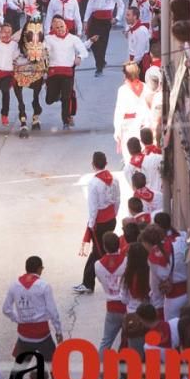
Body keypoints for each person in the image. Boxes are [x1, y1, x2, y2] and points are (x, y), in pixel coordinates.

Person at [2, 256, 77, 379]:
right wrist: (58, 331)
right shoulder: (44, 286)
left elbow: (6, 309)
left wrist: (19, 319)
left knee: (19, 367)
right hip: (42, 335)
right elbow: (52, 311)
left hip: (24, 335)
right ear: (38, 269)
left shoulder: (14, 285)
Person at [74, 152, 120, 294]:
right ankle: (92, 281)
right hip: (111, 218)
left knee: (97, 252)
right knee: (103, 250)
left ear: (93, 165)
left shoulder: (94, 182)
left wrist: (91, 224)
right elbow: (118, 200)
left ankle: (88, 283)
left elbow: (92, 207)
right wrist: (114, 215)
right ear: (106, 163)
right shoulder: (114, 179)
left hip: (99, 221)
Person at [42, 16, 93, 129]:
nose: (60, 29)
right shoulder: (49, 39)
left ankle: (65, 121)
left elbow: (84, 51)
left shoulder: (73, 38)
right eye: (57, 27)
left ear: (66, 26)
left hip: (67, 73)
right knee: (49, 100)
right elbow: (43, 52)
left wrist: (79, 57)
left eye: (62, 26)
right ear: (53, 29)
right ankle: (57, 94)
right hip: (53, 72)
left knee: (66, 98)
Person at [94, 231, 126, 364]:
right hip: (126, 306)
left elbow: (101, 281)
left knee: (106, 341)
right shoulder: (126, 260)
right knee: (128, 342)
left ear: (104, 247)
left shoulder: (98, 265)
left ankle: (97, 375)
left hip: (112, 306)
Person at [83, 0, 124, 76]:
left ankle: (99, 67)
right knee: (93, 42)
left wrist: (117, 17)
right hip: (96, 18)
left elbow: (121, 5)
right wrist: (86, 20)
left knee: (101, 43)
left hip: (106, 20)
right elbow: (90, 5)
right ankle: (101, 61)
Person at [113, 63, 145, 159]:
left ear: (125, 75)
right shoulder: (145, 87)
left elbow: (119, 112)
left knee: (129, 157)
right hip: (143, 125)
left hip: (128, 127)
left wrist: (117, 131)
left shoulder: (123, 90)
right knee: (142, 155)